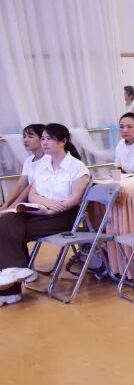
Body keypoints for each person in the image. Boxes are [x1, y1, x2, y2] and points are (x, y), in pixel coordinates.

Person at [0, 124, 89, 305]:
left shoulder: (76, 167)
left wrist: (57, 207)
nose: (44, 142)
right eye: (43, 139)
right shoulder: (43, 165)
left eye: (49, 139)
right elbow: (32, 194)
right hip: (40, 210)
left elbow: (76, 198)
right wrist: (47, 204)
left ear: (63, 141)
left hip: (63, 215)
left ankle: (10, 290)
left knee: (7, 231)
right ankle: (15, 274)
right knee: (6, 220)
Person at [1, 124, 46, 211]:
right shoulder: (28, 160)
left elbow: (29, 187)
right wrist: (5, 205)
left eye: (30, 136)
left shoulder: (50, 159)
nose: (25, 140)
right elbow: (20, 185)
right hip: (30, 200)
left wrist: (9, 208)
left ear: (42, 138)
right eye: (24, 136)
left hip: (43, 201)